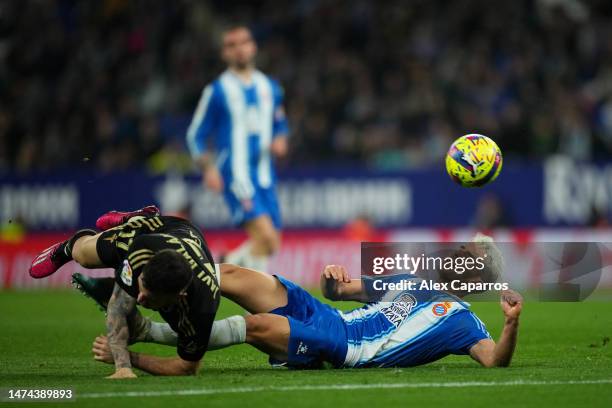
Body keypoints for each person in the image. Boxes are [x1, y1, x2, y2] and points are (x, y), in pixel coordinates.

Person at [91, 235, 523, 369]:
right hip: (329, 316)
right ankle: (155, 294)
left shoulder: (462, 319)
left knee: (256, 325)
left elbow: (494, 361)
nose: (455, 253)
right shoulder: (408, 277)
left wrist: (510, 324)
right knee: (237, 276)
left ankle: (144, 341)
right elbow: (340, 292)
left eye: (467, 255)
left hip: (348, 350)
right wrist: (331, 280)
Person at [28, 206, 220, 378]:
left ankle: (138, 218)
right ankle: (68, 247)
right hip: (157, 231)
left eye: (150, 298)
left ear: (180, 296)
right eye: (142, 287)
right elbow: (118, 305)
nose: (140, 297)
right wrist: (122, 366)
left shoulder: (202, 307)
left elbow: (187, 368)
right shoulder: (140, 252)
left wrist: (132, 358)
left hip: (186, 240)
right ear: (143, 272)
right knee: (84, 257)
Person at [186, 24, 289, 273]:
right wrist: (208, 167)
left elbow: (279, 121)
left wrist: (281, 138)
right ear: (224, 54)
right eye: (231, 45)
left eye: (243, 42)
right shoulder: (217, 91)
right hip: (236, 174)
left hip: (265, 175)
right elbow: (195, 135)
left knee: (272, 244)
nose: (239, 49)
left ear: (253, 47)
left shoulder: (271, 88)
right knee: (264, 238)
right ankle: (265, 300)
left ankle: (221, 266)